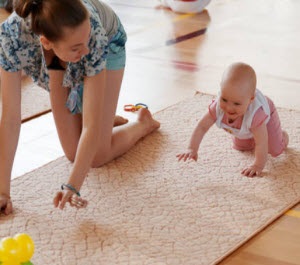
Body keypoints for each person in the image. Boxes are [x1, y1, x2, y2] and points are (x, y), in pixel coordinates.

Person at [0, 0, 160, 215]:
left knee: (97, 157)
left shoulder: (90, 37)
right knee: (72, 154)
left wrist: (72, 186)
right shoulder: (10, 38)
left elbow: (90, 126)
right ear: (46, 42)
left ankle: (143, 123)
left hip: (107, 41)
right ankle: (106, 116)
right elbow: (10, 118)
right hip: (55, 60)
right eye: (77, 48)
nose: (85, 52)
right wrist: (3, 192)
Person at [177, 62, 289, 177]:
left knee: (274, 149)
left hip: (266, 116)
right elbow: (202, 127)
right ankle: (249, 134)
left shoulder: (256, 115)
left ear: (251, 100)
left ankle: (282, 136)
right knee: (241, 147)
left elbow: (261, 143)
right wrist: (192, 148)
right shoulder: (218, 108)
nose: (229, 108)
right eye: (224, 99)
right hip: (246, 125)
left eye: (236, 103)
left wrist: (258, 165)